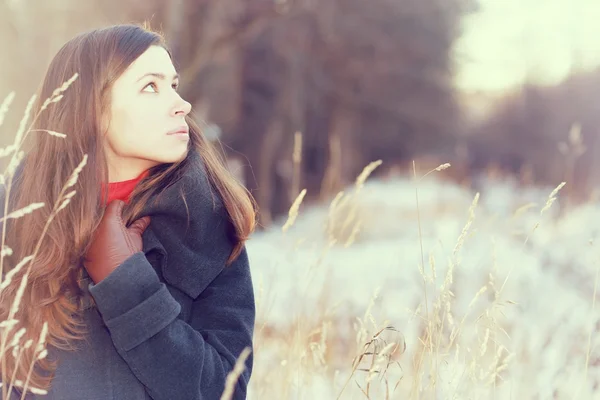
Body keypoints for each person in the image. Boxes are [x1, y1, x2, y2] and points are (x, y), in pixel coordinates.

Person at [0, 24, 257, 399]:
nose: (181, 104)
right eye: (151, 87)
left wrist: (128, 286)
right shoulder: (13, 218)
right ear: (92, 109)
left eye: (173, 84)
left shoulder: (210, 222)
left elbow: (222, 390)